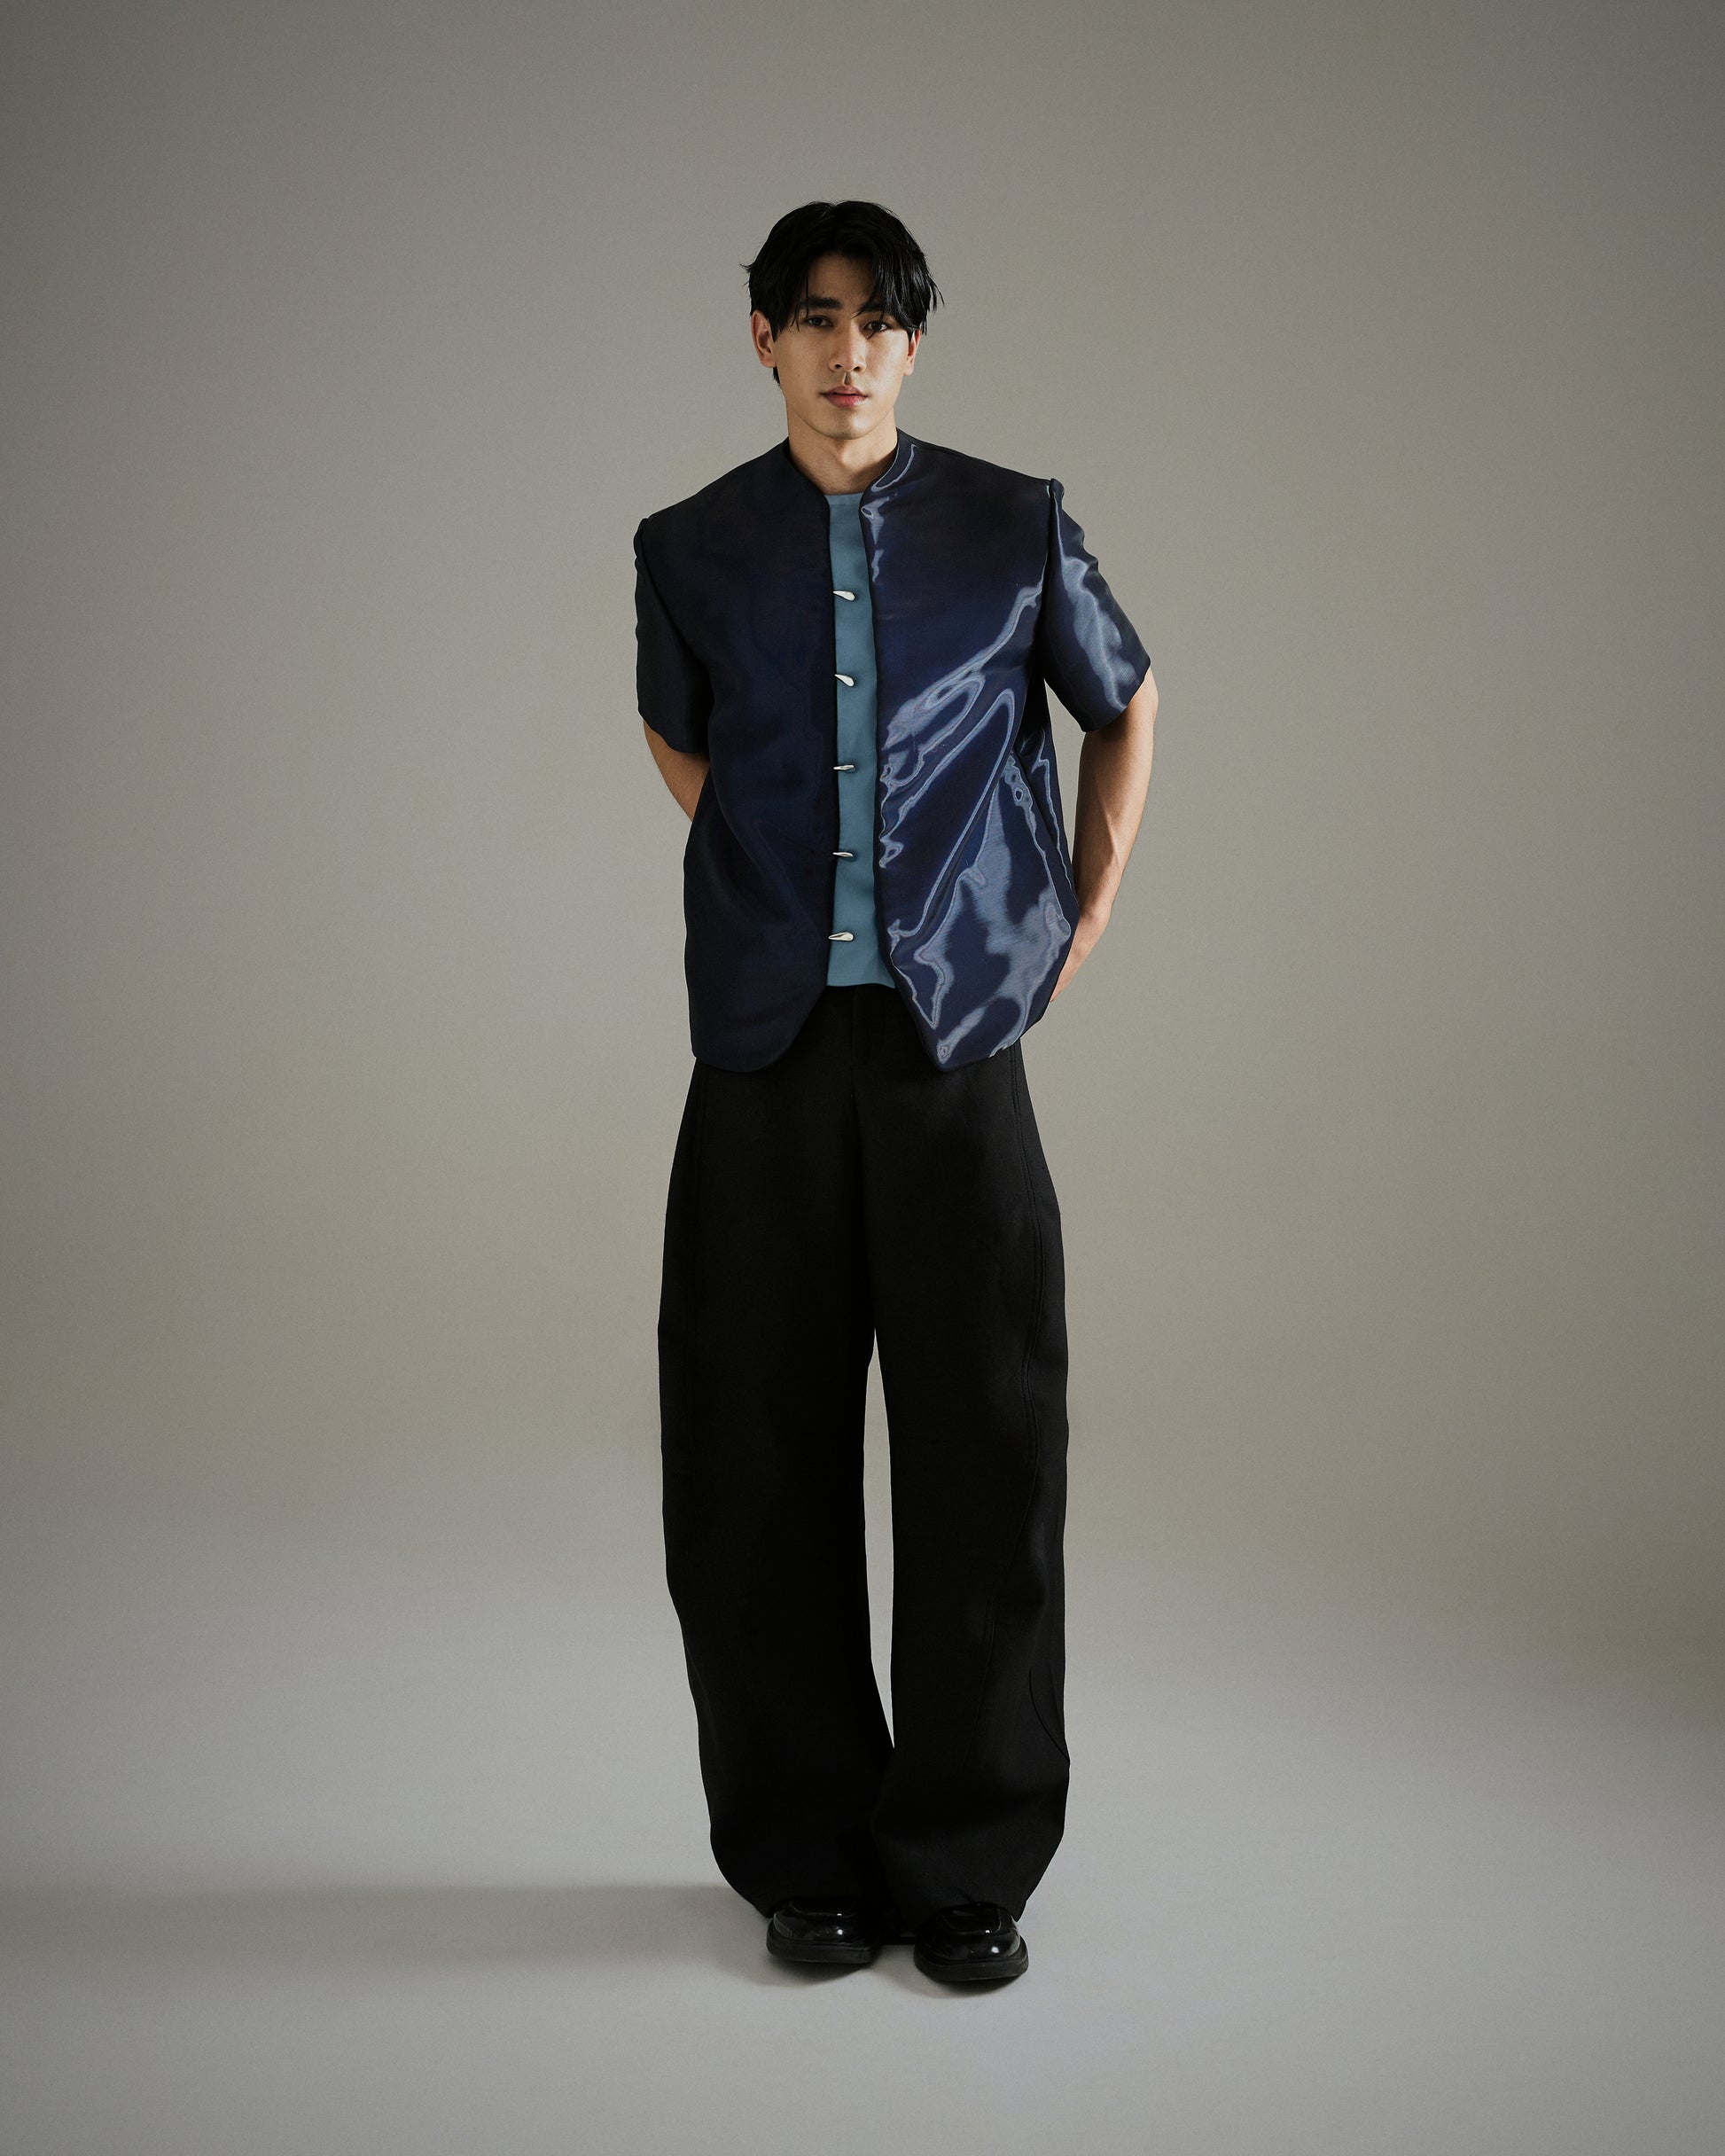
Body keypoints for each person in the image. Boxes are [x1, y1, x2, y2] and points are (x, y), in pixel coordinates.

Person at [634, 199, 1157, 1986]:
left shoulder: (1013, 525)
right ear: (763, 339)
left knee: (985, 1449)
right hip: (765, 1055)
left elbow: (1125, 698)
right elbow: (680, 732)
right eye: (814, 316)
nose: (846, 350)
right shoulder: (691, 545)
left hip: (954, 1054)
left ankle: (966, 1860)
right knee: (750, 1455)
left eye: (877, 320)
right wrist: (780, 875)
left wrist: (1074, 906)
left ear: (913, 345)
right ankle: (806, 1856)